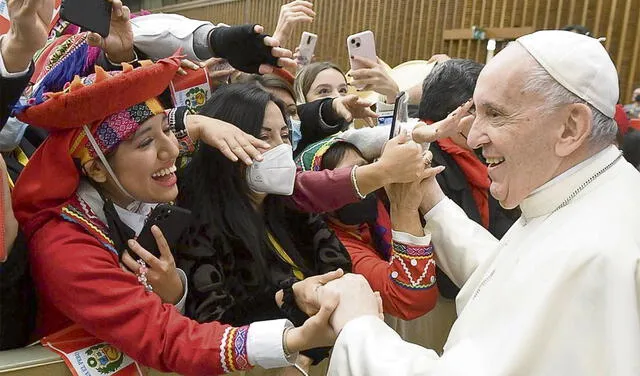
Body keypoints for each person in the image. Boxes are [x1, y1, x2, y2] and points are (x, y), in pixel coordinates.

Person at [320, 30, 640, 375]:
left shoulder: (590, 254)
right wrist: (434, 203)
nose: (473, 137)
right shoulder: (590, 195)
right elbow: (508, 274)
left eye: (496, 114)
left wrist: (357, 328)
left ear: (570, 127)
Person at [11, 56, 337, 375]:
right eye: (146, 143)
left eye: (168, 130)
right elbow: (164, 338)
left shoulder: (142, 192)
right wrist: (293, 339)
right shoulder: (66, 246)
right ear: (96, 167)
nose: (171, 150)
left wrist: (175, 291)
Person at [176, 84, 352, 372]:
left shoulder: (290, 204)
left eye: (285, 135)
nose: (281, 149)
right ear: (224, 143)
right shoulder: (195, 218)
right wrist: (289, 300)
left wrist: (311, 351)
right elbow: (214, 322)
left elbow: (340, 271)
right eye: (262, 137)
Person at [295, 132, 443, 320]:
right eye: (355, 180)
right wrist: (404, 209)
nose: (366, 187)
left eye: (366, 169)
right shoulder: (335, 250)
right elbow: (412, 298)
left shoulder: (372, 213)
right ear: (324, 198)